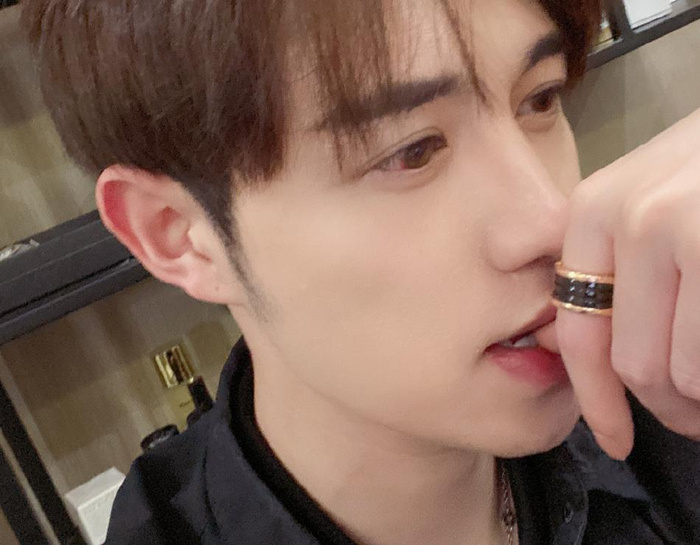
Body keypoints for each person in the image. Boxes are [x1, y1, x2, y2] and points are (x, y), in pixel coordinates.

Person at [21, 0, 700, 543]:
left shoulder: (665, 392)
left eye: (541, 98)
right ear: (181, 236)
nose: (552, 219)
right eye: (411, 152)